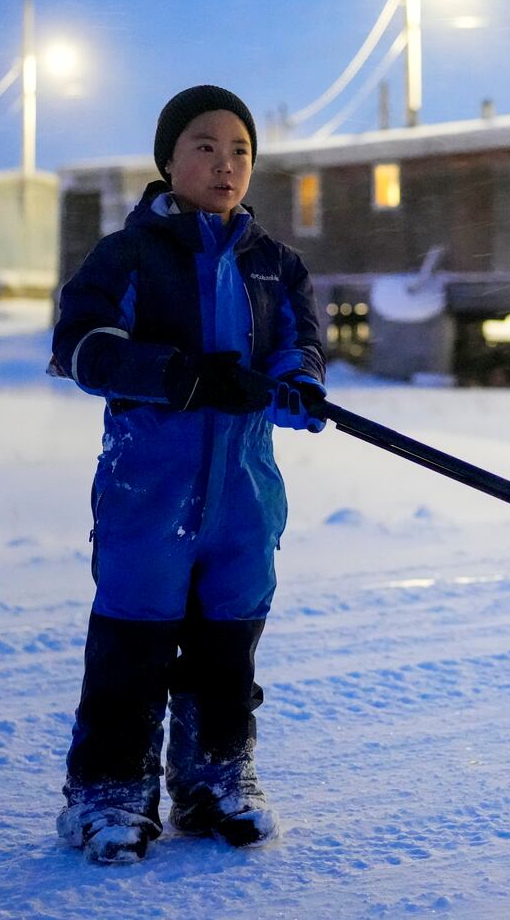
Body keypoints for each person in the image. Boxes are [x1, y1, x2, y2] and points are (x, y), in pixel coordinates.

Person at [48, 85, 326, 864]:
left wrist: (298, 385)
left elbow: (299, 347)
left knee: (227, 643)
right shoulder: (129, 254)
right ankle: (108, 792)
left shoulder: (276, 265)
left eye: (240, 149)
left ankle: (215, 776)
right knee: (133, 642)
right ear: (169, 159)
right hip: (151, 486)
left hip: (242, 493)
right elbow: (80, 348)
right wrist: (185, 377)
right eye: (204, 145)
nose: (225, 163)